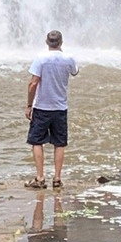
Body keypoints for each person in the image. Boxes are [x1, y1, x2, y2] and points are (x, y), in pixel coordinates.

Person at [24, 29, 78, 189]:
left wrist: (28, 105)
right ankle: (57, 178)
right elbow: (74, 72)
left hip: (41, 107)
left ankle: (40, 178)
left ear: (47, 43)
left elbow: (33, 83)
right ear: (61, 43)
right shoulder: (68, 59)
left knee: (36, 141)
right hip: (60, 107)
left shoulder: (41, 59)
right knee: (59, 143)